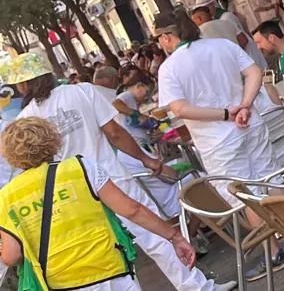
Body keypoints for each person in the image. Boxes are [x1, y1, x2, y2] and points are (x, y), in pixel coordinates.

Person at [0, 54, 225, 291]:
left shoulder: (26, 119)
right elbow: (114, 133)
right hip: (111, 177)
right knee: (155, 237)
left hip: (74, 195)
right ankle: (198, 287)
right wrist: (146, 160)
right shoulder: (82, 91)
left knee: (108, 252)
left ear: (23, 84)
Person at [154, 15, 284, 278]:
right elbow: (254, 72)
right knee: (270, 180)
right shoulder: (221, 45)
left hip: (218, 139)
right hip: (250, 122)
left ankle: (275, 251)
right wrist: (246, 104)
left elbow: (180, 108)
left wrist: (227, 114)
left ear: (166, 37)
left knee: (243, 193)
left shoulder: (169, 68)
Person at [0, 117, 202, 291]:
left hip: (61, 281)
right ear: (51, 139)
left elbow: (11, 256)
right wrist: (174, 236)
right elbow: (132, 210)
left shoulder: (6, 197)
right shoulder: (80, 167)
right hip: (109, 267)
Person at [191, 2, 268, 72]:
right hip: (246, 61)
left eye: (194, 21)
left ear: (199, 18)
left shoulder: (201, 32)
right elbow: (243, 40)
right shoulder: (225, 22)